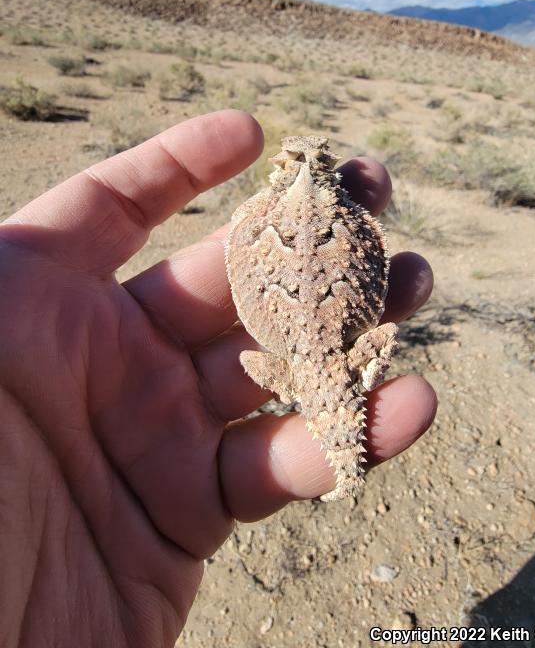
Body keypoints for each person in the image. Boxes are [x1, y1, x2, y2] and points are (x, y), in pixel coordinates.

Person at [0, 110, 437, 647]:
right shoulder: (349, 213)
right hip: (329, 345)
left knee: (272, 370)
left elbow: (241, 262)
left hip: (289, 350)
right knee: (379, 336)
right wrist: (353, 368)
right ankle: (341, 429)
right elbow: (371, 252)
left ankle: (338, 442)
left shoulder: (256, 213)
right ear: (326, 168)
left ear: (279, 167)